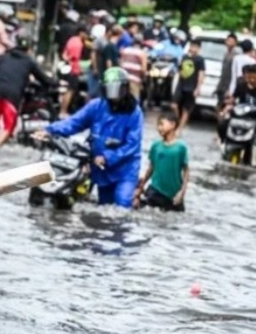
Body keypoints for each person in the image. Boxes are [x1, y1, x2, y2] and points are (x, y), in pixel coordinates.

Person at [35, 67, 144, 209]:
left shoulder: (134, 113)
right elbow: (74, 123)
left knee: (122, 203)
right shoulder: (96, 106)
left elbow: (132, 145)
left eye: (117, 89)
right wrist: (49, 130)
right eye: (110, 89)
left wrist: (107, 157)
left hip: (125, 169)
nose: (114, 95)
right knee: (104, 207)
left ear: (125, 89)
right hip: (101, 169)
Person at [0, 35, 57, 147]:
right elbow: (43, 78)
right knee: (9, 127)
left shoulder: (4, 56)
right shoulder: (29, 61)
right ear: (28, 49)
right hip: (12, 96)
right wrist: (55, 83)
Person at [133, 111, 189, 212]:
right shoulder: (156, 145)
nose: (159, 128)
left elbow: (186, 171)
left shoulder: (181, 147)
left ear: (172, 125)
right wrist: (142, 185)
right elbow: (151, 167)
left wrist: (182, 192)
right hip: (155, 190)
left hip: (173, 194)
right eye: (158, 125)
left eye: (162, 124)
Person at [219, 64, 256, 165]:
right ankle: (223, 143)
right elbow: (233, 99)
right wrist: (226, 105)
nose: (251, 80)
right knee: (222, 126)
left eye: (254, 77)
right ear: (246, 76)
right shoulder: (241, 86)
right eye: (249, 77)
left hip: (254, 118)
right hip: (239, 116)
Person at [172, 38, 205, 134]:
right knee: (174, 105)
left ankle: (180, 129)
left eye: (196, 47)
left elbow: (201, 73)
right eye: (192, 46)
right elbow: (180, 69)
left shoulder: (200, 60)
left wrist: (198, 88)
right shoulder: (184, 57)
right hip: (181, 84)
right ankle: (177, 122)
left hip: (192, 86)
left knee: (186, 109)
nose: (193, 49)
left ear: (199, 48)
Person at [61, 25, 87, 118]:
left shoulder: (71, 39)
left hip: (67, 69)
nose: (86, 36)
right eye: (85, 33)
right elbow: (75, 58)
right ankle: (63, 111)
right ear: (81, 33)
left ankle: (64, 109)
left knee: (67, 90)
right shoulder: (78, 43)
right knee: (70, 91)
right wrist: (78, 70)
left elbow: (64, 54)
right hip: (73, 70)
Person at [119, 33, 148, 102]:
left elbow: (120, 64)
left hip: (123, 79)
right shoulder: (142, 53)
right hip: (135, 80)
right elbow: (144, 69)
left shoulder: (125, 51)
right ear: (141, 42)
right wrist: (143, 79)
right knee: (134, 100)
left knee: (122, 99)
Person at [215, 33, 238, 110]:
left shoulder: (235, 56)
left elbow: (235, 73)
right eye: (228, 40)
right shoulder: (225, 54)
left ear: (235, 43)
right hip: (222, 85)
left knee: (224, 106)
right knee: (219, 106)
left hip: (229, 86)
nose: (229, 43)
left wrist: (230, 89)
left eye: (232, 41)